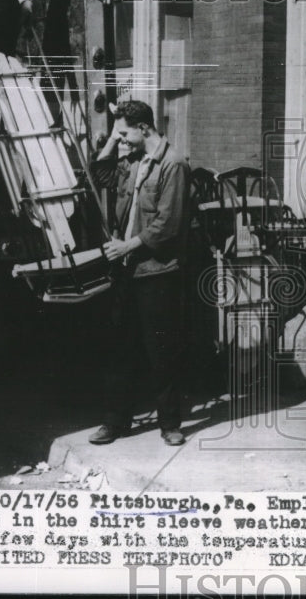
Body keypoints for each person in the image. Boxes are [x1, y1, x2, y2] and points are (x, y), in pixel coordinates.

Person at [88, 100, 192, 446]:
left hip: (157, 272)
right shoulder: (130, 160)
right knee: (121, 349)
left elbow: (168, 224)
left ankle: (170, 424)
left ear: (144, 128)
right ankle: (115, 422)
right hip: (126, 272)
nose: (121, 140)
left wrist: (126, 246)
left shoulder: (173, 164)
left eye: (125, 133)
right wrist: (113, 140)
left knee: (161, 351)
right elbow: (99, 174)